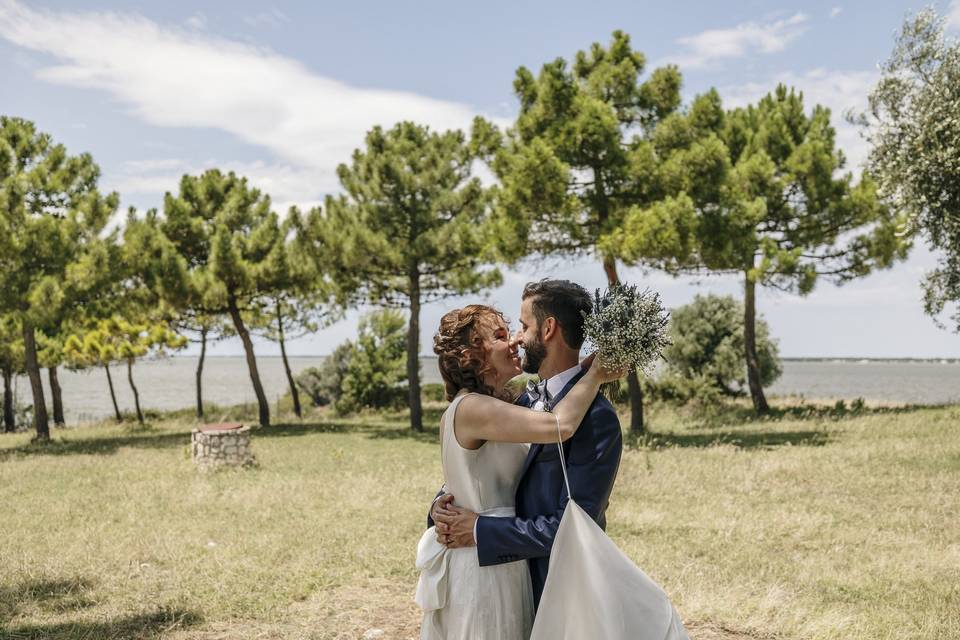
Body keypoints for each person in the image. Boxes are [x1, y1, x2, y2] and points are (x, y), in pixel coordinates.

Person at [417, 280, 625, 639]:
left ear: (548, 329)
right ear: (474, 353)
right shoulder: (511, 407)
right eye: (503, 333)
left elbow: (575, 527)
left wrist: (478, 527)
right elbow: (554, 428)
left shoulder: (595, 419)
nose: (515, 338)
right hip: (486, 573)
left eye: (521, 326)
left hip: (549, 585)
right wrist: (443, 506)